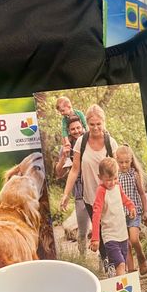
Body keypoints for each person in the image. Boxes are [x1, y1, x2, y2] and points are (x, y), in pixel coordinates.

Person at [60, 104, 118, 271]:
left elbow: (117, 171)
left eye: (98, 124)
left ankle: (112, 261)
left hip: (109, 196)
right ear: (87, 123)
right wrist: (66, 194)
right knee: (98, 230)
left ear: (103, 122)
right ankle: (106, 262)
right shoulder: (81, 141)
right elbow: (74, 170)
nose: (95, 127)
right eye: (92, 124)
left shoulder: (110, 142)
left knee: (109, 231)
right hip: (89, 196)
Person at [89, 157, 135, 277]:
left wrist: (131, 207)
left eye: (115, 178)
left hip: (122, 234)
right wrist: (95, 238)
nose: (112, 182)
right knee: (121, 264)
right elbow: (96, 214)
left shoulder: (117, 186)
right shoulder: (101, 191)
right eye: (108, 180)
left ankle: (112, 272)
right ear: (100, 177)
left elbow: (125, 198)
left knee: (122, 264)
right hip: (110, 236)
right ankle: (122, 288)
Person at [54, 115, 90, 257]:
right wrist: (63, 157)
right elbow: (59, 173)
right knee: (82, 231)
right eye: (73, 129)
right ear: (68, 131)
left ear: (82, 127)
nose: (76, 131)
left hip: (95, 190)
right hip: (79, 194)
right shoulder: (66, 148)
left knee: (101, 228)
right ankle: (83, 257)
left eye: (78, 128)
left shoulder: (90, 141)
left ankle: (103, 260)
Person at [116, 144, 147, 275]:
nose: (124, 165)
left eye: (126, 162)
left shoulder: (134, 175)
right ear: (116, 160)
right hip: (120, 214)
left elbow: (142, 194)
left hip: (134, 212)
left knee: (134, 239)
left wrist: (145, 211)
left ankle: (141, 258)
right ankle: (131, 270)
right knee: (126, 244)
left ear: (131, 160)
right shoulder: (115, 176)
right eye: (121, 162)